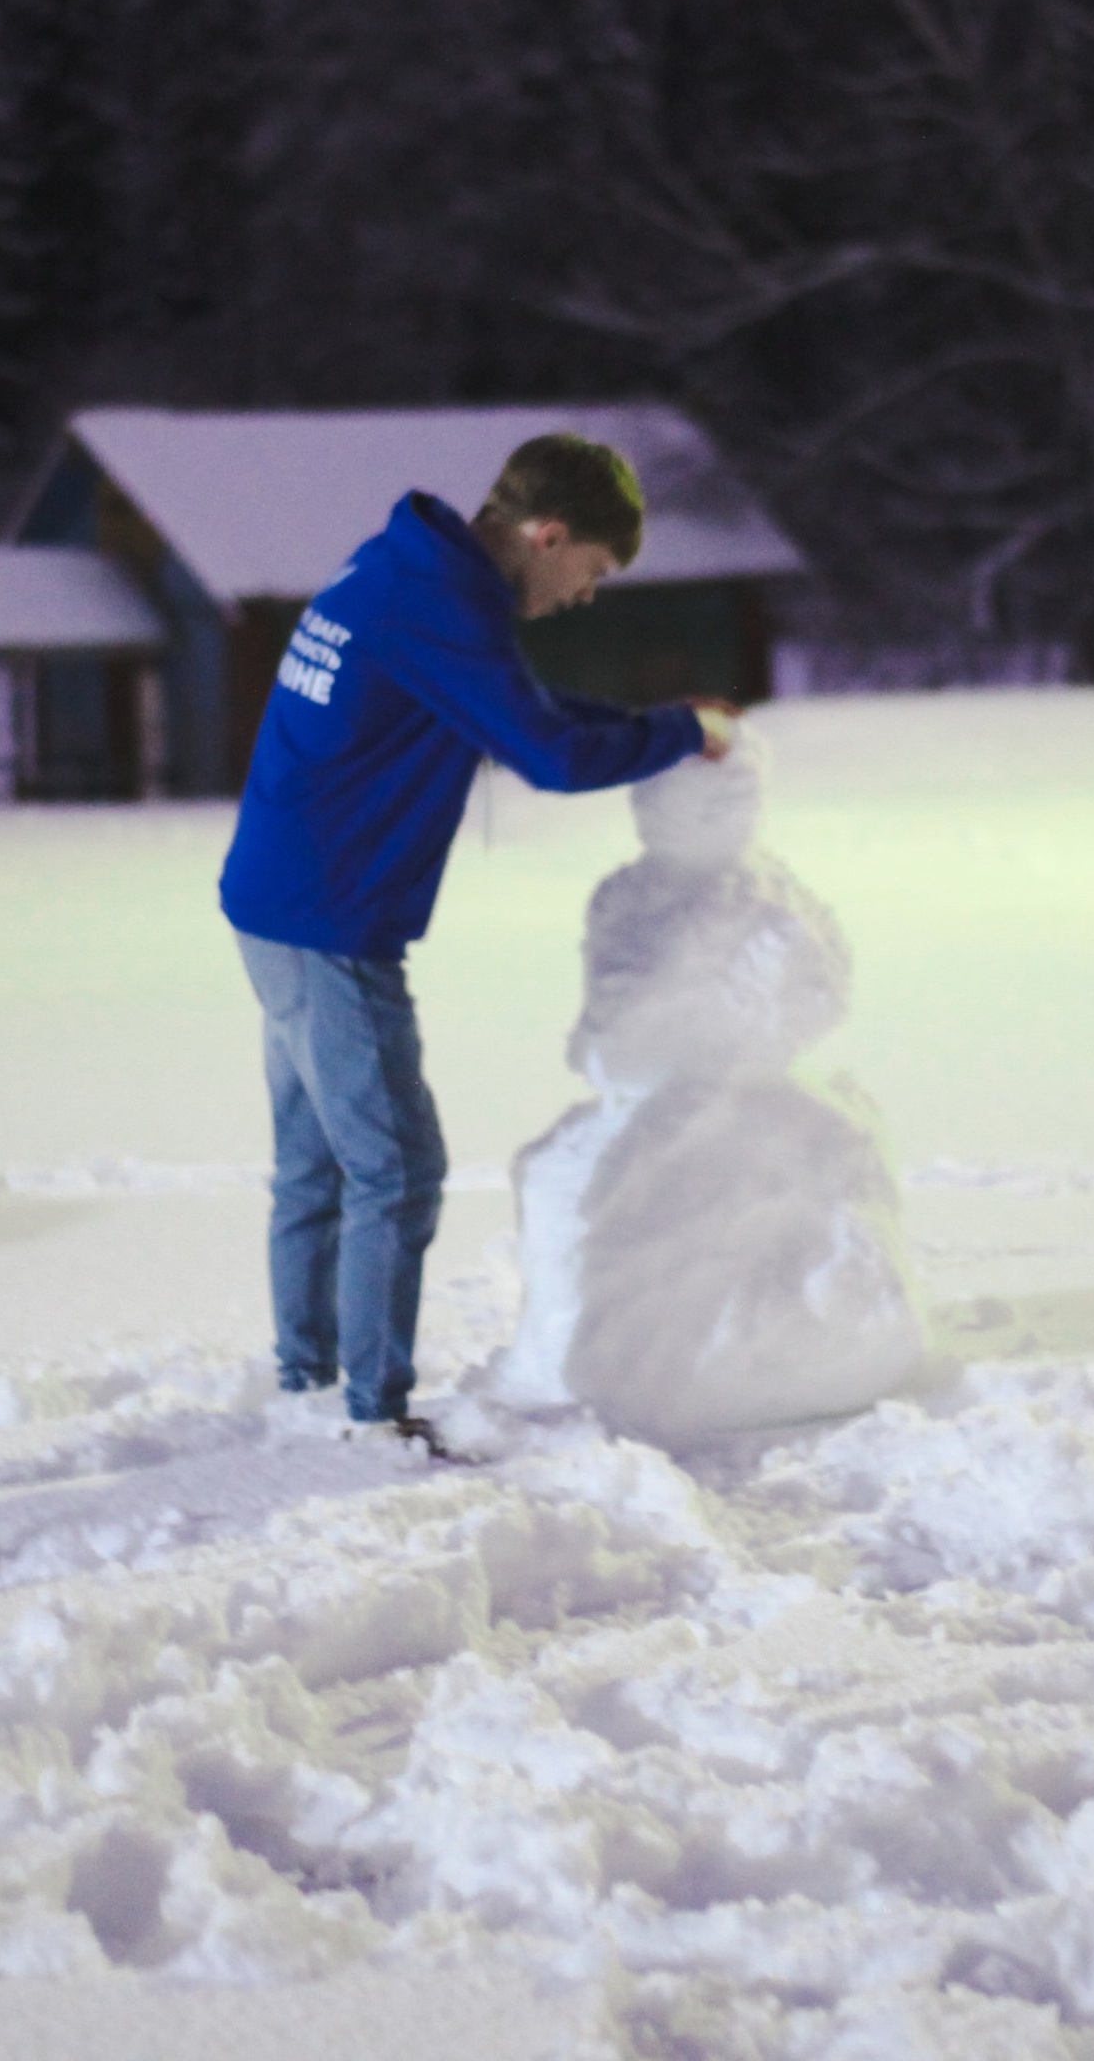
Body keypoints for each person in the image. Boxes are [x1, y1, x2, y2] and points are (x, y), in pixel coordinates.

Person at [218, 432, 738, 1450]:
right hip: (328, 920)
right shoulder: (441, 602)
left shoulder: (403, 568)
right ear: (548, 535)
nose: (585, 596)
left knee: (321, 1161)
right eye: (591, 570)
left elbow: (512, 710)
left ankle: (305, 1380)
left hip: (280, 899)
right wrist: (681, 736)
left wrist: (654, 721)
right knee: (396, 1169)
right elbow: (547, 752)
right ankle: (370, 1420)